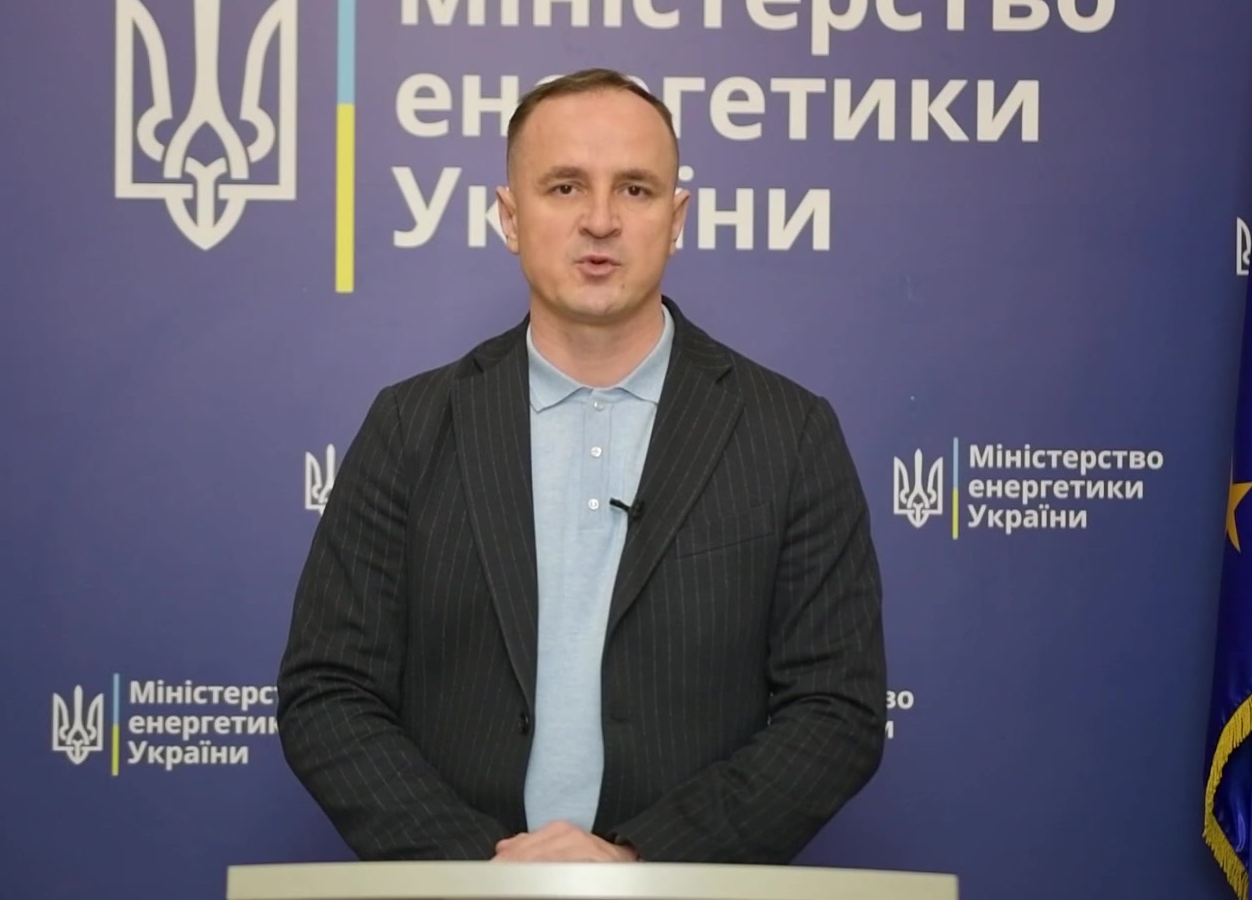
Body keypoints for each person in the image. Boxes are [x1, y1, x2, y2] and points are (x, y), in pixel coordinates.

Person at [276, 67, 886, 864]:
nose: (600, 220)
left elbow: (835, 710)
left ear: (677, 218)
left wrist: (644, 861)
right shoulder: (409, 427)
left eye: (635, 189)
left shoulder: (789, 432)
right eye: (564, 187)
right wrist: (482, 870)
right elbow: (327, 690)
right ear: (510, 216)